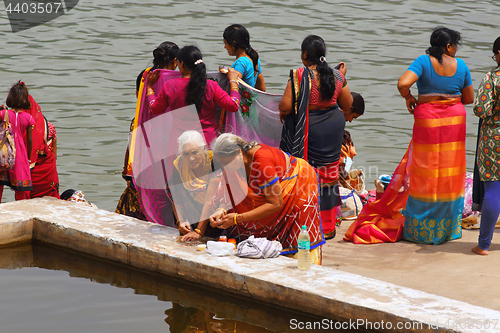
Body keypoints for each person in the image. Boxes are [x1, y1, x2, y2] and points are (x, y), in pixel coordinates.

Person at [345, 26, 474, 245]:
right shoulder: (461, 65)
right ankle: (445, 227)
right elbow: (469, 99)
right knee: (448, 171)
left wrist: (409, 97)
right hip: (454, 121)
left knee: (425, 171)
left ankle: (421, 228)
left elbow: (403, 83)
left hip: (428, 120)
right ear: (449, 46)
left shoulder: (424, 62)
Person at [279, 35, 353, 240]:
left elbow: (284, 106)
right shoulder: (338, 77)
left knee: (306, 174)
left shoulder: (299, 76)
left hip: (310, 129)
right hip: (333, 127)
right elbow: (347, 104)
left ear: (304, 54)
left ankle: (306, 225)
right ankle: (327, 226)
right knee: (329, 174)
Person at [209, 134, 325, 264]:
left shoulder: (261, 161)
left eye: (225, 162)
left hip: (299, 186)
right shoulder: (235, 162)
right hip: (276, 195)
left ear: (238, 152)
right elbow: (229, 192)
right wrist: (221, 209)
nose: (224, 167)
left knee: (299, 240)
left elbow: (276, 204)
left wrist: (237, 218)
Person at [116, 42, 179, 221]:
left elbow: (139, 101)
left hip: (142, 126)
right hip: (166, 130)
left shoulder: (145, 76)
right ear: (175, 61)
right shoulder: (178, 78)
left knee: (140, 177)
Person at [146, 45, 241, 146]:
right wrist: (233, 81)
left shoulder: (170, 86)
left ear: (181, 63)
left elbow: (155, 108)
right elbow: (233, 105)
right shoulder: (211, 86)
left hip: (180, 145)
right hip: (207, 143)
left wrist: (149, 87)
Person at [471, 36, 500, 255]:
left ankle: (484, 245)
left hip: (494, 140)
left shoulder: (492, 78)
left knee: (493, 190)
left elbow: (481, 109)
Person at [168, 130, 222, 242]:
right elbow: (175, 196)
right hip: (193, 215)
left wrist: (199, 231)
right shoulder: (179, 164)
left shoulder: (215, 161)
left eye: (195, 152)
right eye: (186, 154)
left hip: (216, 215)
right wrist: (181, 221)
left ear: (203, 149)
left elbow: (210, 199)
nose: (191, 158)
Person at [0, 81, 35, 201]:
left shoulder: (3, 114)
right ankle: (21, 213)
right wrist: (28, 158)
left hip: (3, 151)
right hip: (19, 153)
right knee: (21, 188)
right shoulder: (28, 118)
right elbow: (30, 140)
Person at [222, 24, 266, 91]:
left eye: (226, 43)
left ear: (234, 44)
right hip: (250, 100)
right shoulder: (254, 58)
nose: (225, 47)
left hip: (239, 101)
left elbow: (234, 86)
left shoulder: (241, 63)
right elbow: (261, 88)